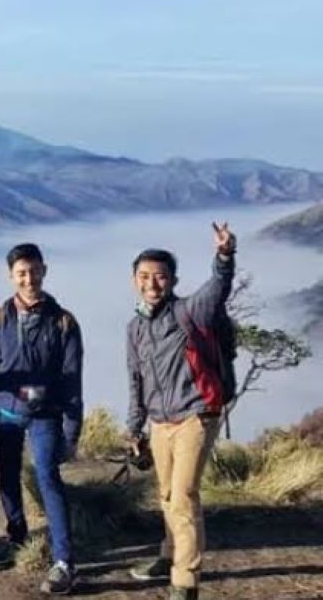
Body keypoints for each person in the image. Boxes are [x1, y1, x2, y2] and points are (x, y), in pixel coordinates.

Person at [125, 223, 237, 600]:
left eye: (159, 276)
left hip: (195, 415)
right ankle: (169, 551)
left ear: (172, 280)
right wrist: (133, 428)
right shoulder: (135, 328)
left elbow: (217, 287)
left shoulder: (191, 311)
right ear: (133, 280)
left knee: (184, 495)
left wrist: (224, 256)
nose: (151, 284)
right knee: (166, 494)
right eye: (144, 276)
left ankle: (185, 581)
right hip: (159, 421)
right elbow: (135, 380)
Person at [0, 243, 84, 595]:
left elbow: (71, 378)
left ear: (44, 271)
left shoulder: (63, 321)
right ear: (11, 277)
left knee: (48, 478)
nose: (29, 278)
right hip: (6, 412)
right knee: (7, 477)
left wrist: (72, 429)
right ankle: (17, 538)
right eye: (21, 272)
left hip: (45, 414)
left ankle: (64, 560)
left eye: (34, 270)